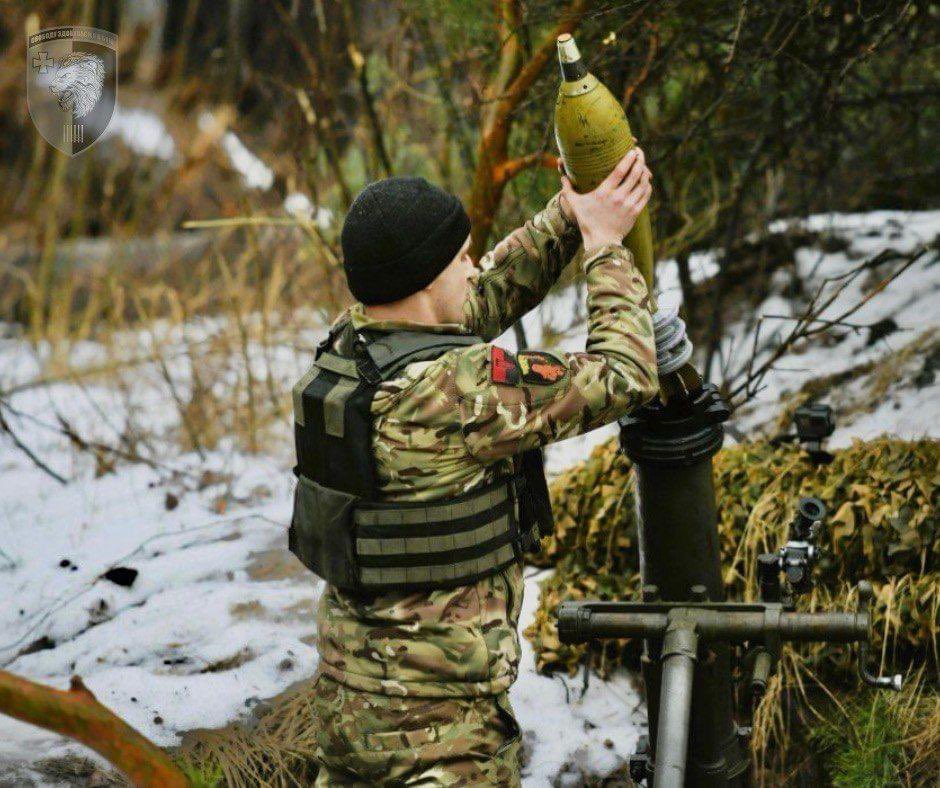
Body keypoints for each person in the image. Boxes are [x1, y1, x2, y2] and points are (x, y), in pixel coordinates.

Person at [299, 147, 657, 786]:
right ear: (423, 278)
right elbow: (626, 374)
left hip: (350, 708)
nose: (474, 268)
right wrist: (605, 246)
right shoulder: (461, 392)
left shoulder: (347, 350)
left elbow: (475, 299)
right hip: (441, 737)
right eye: (462, 257)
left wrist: (568, 215)